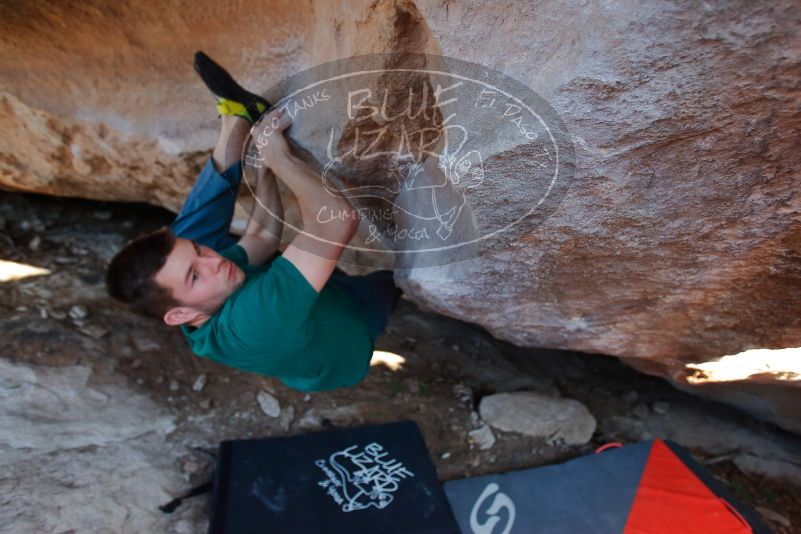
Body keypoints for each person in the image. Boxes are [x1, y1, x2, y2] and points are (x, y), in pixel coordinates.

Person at [106, 52, 401, 392]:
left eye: (200, 253)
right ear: (179, 317)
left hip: (302, 305)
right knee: (392, 283)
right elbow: (336, 222)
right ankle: (395, 288)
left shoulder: (208, 288)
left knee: (184, 236)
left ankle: (237, 121)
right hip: (350, 331)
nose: (214, 260)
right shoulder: (254, 321)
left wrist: (262, 168)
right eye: (195, 275)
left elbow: (260, 237)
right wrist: (280, 158)